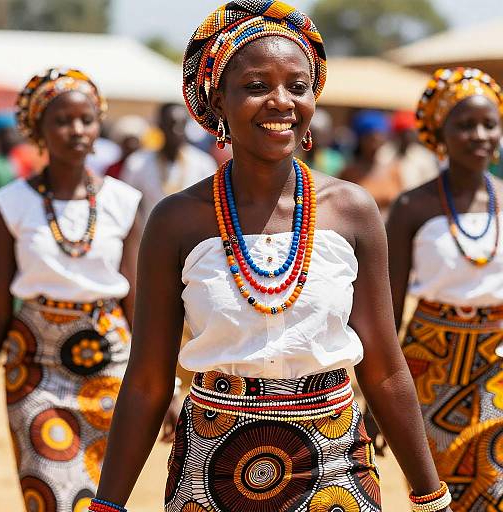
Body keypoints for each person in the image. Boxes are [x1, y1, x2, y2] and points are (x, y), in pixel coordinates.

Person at [91, 3, 452, 512]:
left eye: (297, 86)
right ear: (219, 100)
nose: (280, 101)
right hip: (210, 468)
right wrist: (108, 504)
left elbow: (385, 367)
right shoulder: (176, 221)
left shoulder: (352, 211)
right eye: (257, 85)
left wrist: (430, 494)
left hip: (335, 464)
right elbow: (150, 378)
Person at [0, 68, 142, 512]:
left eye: (86, 119)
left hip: (109, 359)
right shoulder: (10, 204)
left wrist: (165, 388)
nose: (76, 130)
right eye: (62, 120)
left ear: (98, 124)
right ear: (38, 129)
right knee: (51, 493)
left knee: (100, 496)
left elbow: (138, 301)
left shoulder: (123, 202)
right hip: (34, 360)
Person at [386, 67, 503, 510]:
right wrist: (380, 395)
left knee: (495, 484)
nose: (479, 135)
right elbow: (389, 304)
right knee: (442, 490)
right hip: (430, 361)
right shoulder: (412, 206)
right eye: (465, 124)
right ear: (439, 132)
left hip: (498, 359)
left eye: (489, 124)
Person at [121, 102, 216, 226]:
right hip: (151, 239)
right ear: (160, 126)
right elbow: (127, 206)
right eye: (171, 124)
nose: (177, 130)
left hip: (192, 240)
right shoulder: (137, 163)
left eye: (182, 125)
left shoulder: (203, 163)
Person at [340, 109, 402, 219]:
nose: (375, 144)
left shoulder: (393, 169)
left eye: (379, 139)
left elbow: (401, 202)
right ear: (361, 140)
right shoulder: (350, 173)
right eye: (371, 139)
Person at [303, 107, 345, 177]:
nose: (317, 137)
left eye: (322, 133)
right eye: (313, 133)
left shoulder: (335, 160)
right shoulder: (294, 158)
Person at [105, 115, 149, 180]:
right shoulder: (113, 169)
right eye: (127, 143)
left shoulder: (147, 168)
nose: (131, 145)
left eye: (135, 142)